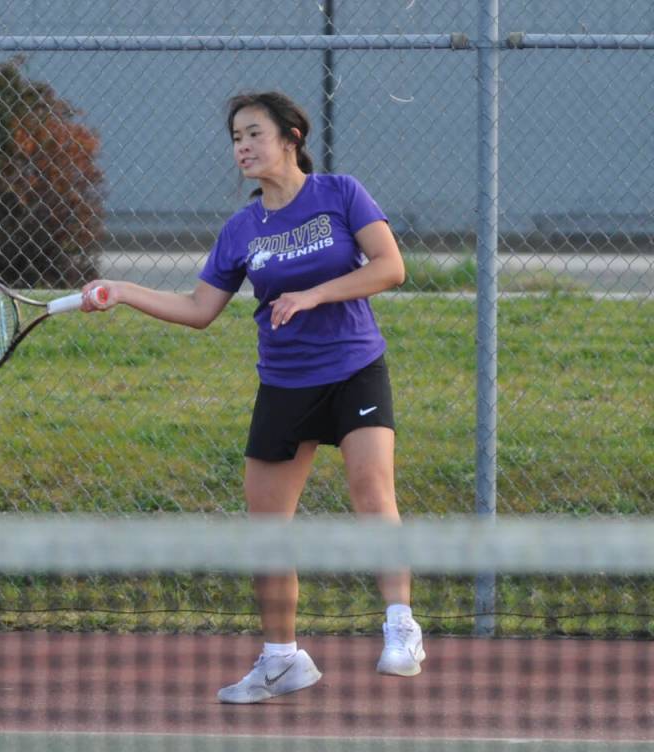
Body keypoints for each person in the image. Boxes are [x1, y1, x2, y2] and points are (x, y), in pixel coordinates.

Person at [81, 90, 424, 703]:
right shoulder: (242, 229)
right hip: (285, 384)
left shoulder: (341, 193)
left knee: (372, 490)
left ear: (292, 136)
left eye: (253, 133)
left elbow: (390, 267)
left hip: (354, 369)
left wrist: (314, 295)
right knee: (268, 529)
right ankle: (282, 661)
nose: (241, 146)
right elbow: (199, 309)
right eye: (236, 137)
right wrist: (125, 289)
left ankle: (402, 629)